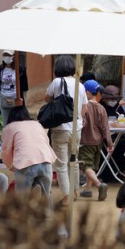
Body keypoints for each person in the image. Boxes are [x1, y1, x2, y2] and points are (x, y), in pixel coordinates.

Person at [44, 55, 87, 208]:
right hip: (76, 129)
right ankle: (75, 191)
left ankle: (66, 197)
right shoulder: (80, 85)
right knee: (73, 161)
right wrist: (78, 122)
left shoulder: (56, 82)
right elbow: (84, 108)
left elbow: (46, 99)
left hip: (60, 129)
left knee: (61, 164)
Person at [1, 106, 57, 200]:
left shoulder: (10, 127)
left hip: (25, 163)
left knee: (22, 201)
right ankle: (47, 214)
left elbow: (6, 150)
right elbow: (46, 142)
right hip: (46, 161)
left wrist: (10, 166)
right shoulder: (37, 124)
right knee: (46, 198)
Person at [79, 80, 112, 201]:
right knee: (92, 166)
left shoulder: (84, 106)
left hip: (86, 141)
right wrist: (109, 143)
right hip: (98, 143)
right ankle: (87, 189)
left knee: (85, 166)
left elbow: (82, 123)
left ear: (87, 92)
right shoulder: (102, 108)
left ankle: (99, 185)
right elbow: (105, 127)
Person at [0, 50, 27, 126]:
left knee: (17, 122)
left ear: (13, 56)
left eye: (9, 55)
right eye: (5, 55)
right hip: (4, 97)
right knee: (5, 122)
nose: (7, 57)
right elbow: (0, 83)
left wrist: (23, 99)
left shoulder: (20, 69)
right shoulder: (0, 69)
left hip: (16, 97)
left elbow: (25, 86)